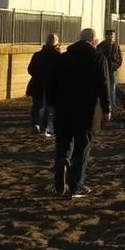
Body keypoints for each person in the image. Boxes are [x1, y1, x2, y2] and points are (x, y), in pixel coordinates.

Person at [46, 28, 111, 198]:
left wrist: (50, 103)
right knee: (82, 147)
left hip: (63, 108)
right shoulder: (98, 59)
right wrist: (107, 108)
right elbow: (104, 85)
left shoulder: (62, 58)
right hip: (87, 110)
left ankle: (62, 165)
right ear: (94, 40)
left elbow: (51, 82)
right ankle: (76, 184)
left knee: (63, 142)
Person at [27, 34, 62, 136]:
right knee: (49, 107)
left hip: (37, 83)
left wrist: (38, 76)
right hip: (51, 85)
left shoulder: (37, 55)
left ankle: (35, 124)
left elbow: (30, 69)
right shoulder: (58, 56)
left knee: (36, 105)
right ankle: (45, 128)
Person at [96, 28, 123, 112]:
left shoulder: (116, 46)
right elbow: (98, 58)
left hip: (113, 70)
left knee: (113, 88)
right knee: (105, 88)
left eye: (112, 36)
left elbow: (120, 58)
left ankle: (113, 105)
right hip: (104, 70)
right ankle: (107, 105)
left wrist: (115, 66)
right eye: (109, 36)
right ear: (106, 36)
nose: (111, 38)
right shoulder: (101, 46)